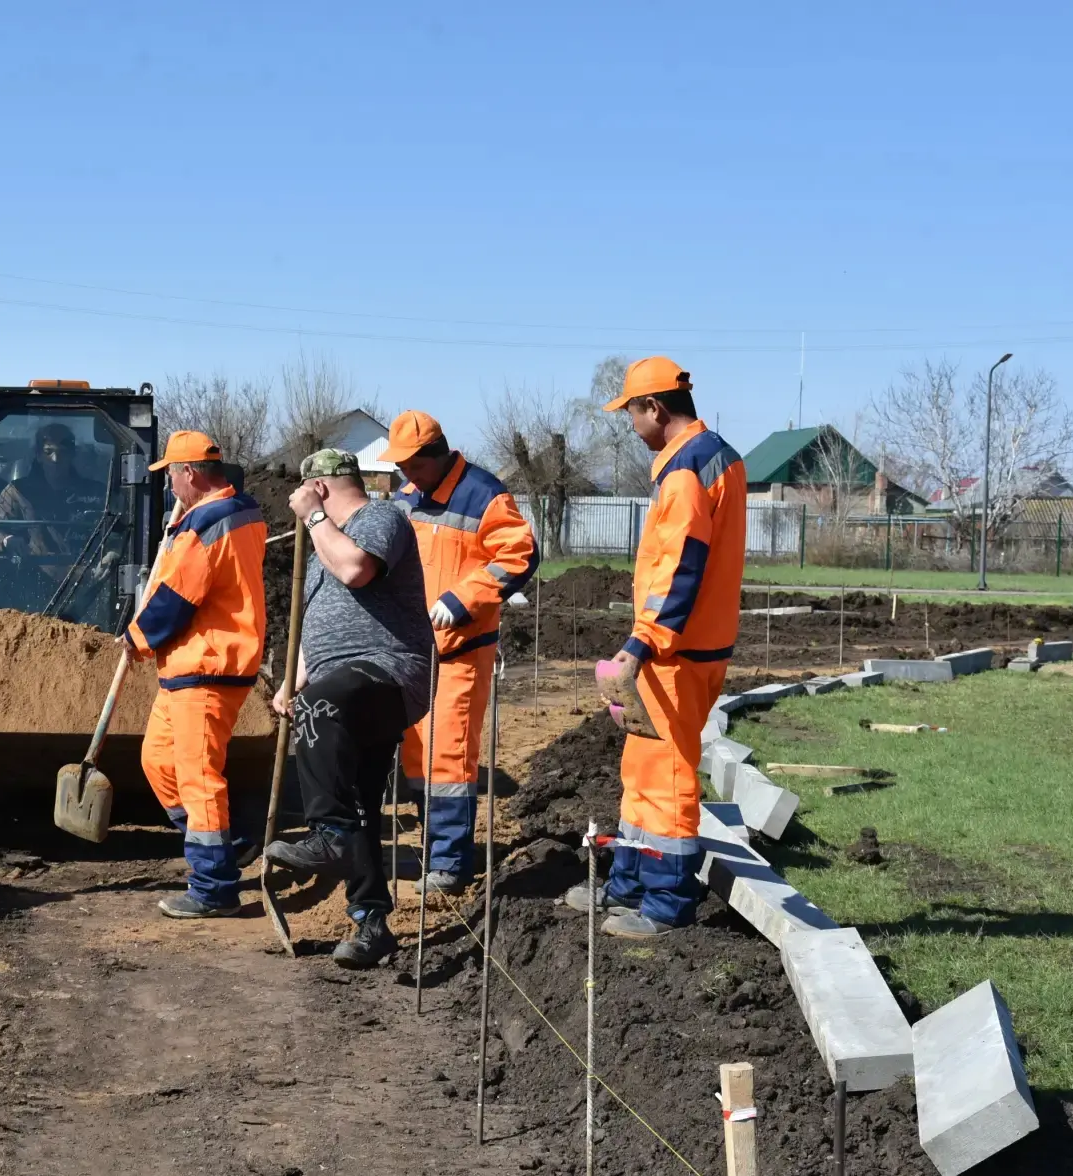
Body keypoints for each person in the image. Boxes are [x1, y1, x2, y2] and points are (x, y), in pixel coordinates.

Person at [568, 357, 745, 938]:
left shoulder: (687, 469)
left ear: (655, 407)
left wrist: (641, 641)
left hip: (675, 650)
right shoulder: (712, 457)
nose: (630, 425)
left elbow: (680, 563)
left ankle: (667, 903)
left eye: (632, 413)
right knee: (642, 766)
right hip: (689, 645)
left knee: (666, 775)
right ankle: (629, 884)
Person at [265, 449, 434, 968]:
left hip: (388, 671)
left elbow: (357, 570)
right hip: (344, 685)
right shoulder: (325, 542)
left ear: (318, 488)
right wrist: (292, 680)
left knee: (321, 707)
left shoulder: (380, 518)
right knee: (357, 797)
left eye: (304, 494)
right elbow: (316, 626)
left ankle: (329, 835)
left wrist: (314, 518)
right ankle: (371, 922)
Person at [381, 410, 538, 894]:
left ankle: (449, 864)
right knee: (417, 755)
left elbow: (520, 555)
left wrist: (463, 599)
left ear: (439, 454)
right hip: (413, 652)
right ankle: (436, 851)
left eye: (414, 465)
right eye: (401, 467)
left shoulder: (484, 494)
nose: (407, 474)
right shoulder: (406, 498)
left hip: (460, 651)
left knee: (447, 757)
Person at [123, 431, 268, 919]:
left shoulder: (208, 523)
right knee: (157, 761)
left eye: (171, 475)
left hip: (207, 662)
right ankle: (228, 845)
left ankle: (214, 888)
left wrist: (137, 637)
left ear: (189, 473)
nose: (169, 485)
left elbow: (176, 598)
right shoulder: (237, 511)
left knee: (198, 777)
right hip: (193, 664)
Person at [0, 420, 86, 559]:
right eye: (48, 452)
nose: (55, 459)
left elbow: (115, 532)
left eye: (62, 452)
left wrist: (112, 551)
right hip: (32, 569)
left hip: (87, 568)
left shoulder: (95, 493)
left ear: (72, 455)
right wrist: (7, 540)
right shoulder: (15, 493)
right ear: (38, 455)